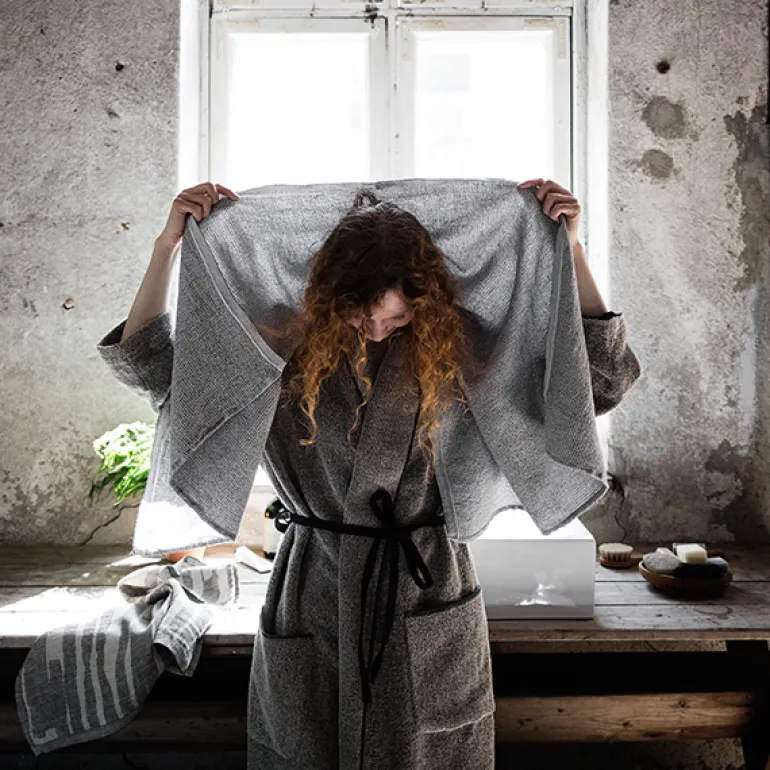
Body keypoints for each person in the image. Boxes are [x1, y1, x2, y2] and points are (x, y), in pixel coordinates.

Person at [109, 179, 641, 769]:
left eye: (399, 316)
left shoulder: (466, 351)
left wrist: (571, 250)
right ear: (329, 295)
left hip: (428, 586)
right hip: (313, 586)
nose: (378, 331)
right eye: (360, 315)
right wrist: (167, 247)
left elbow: (600, 383)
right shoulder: (277, 346)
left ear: (426, 300)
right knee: (306, 751)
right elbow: (151, 369)